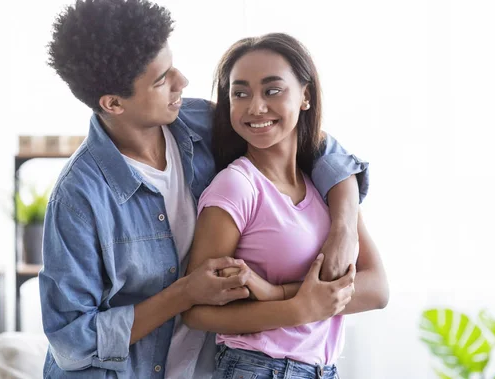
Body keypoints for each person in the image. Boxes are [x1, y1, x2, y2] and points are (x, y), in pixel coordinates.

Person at [39, 1, 370, 378]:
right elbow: (71, 340)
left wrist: (343, 228)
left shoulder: (198, 123)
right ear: (113, 103)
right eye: (162, 79)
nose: (182, 81)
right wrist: (184, 293)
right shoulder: (79, 199)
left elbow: (320, 147)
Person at [182, 33, 389, 379]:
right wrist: (296, 310)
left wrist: (280, 294)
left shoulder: (327, 187)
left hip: (323, 369)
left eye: (272, 90)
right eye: (240, 93)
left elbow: (377, 289)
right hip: (255, 367)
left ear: (305, 96)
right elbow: (194, 311)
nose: (256, 107)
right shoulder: (236, 186)